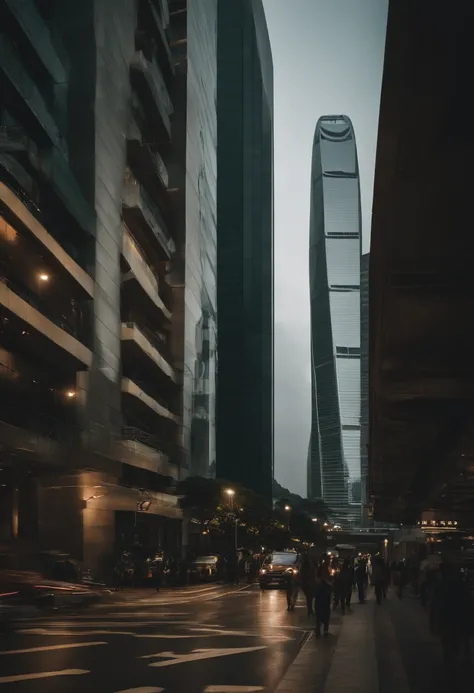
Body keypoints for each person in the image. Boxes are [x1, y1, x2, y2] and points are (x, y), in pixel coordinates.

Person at [429, 560, 472, 672]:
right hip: (459, 618)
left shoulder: (441, 586)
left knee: (448, 641)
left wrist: (433, 622)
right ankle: (455, 661)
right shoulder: (461, 584)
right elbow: (468, 601)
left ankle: (450, 662)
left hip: (446, 618)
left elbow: (435, 605)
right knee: (456, 640)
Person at [315, 564, 332, 636]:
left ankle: (325, 630)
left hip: (325, 600)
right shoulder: (318, 581)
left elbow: (331, 589)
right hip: (319, 600)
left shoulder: (328, 581)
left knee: (326, 614)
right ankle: (318, 629)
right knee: (319, 615)